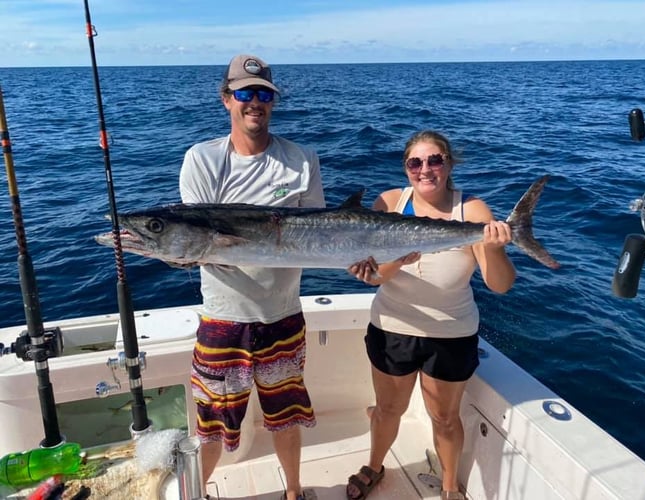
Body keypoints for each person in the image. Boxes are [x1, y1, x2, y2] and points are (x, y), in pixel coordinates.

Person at [179, 54, 325, 500]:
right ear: (227, 99)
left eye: (263, 94)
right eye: (244, 93)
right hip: (224, 319)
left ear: (273, 102)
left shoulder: (301, 160)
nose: (254, 102)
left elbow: (323, 232)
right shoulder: (201, 160)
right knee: (211, 420)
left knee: (287, 413)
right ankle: (197, 492)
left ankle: (294, 492)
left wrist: (364, 258)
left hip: (283, 315)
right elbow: (197, 243)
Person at [346, 130, 516, 500]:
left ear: (449, 164)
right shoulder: (389, 202)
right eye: (415, 162)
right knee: (388, 409)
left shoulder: (471, 211)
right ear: (406, 168)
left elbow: (500, 285)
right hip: (392, 328)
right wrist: (399, 259)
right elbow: (372, 276)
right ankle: (375, 465)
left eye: (435, 160)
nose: (425, 169)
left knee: (444, 417)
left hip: (451, 332)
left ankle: (450, 486)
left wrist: (499, 248)